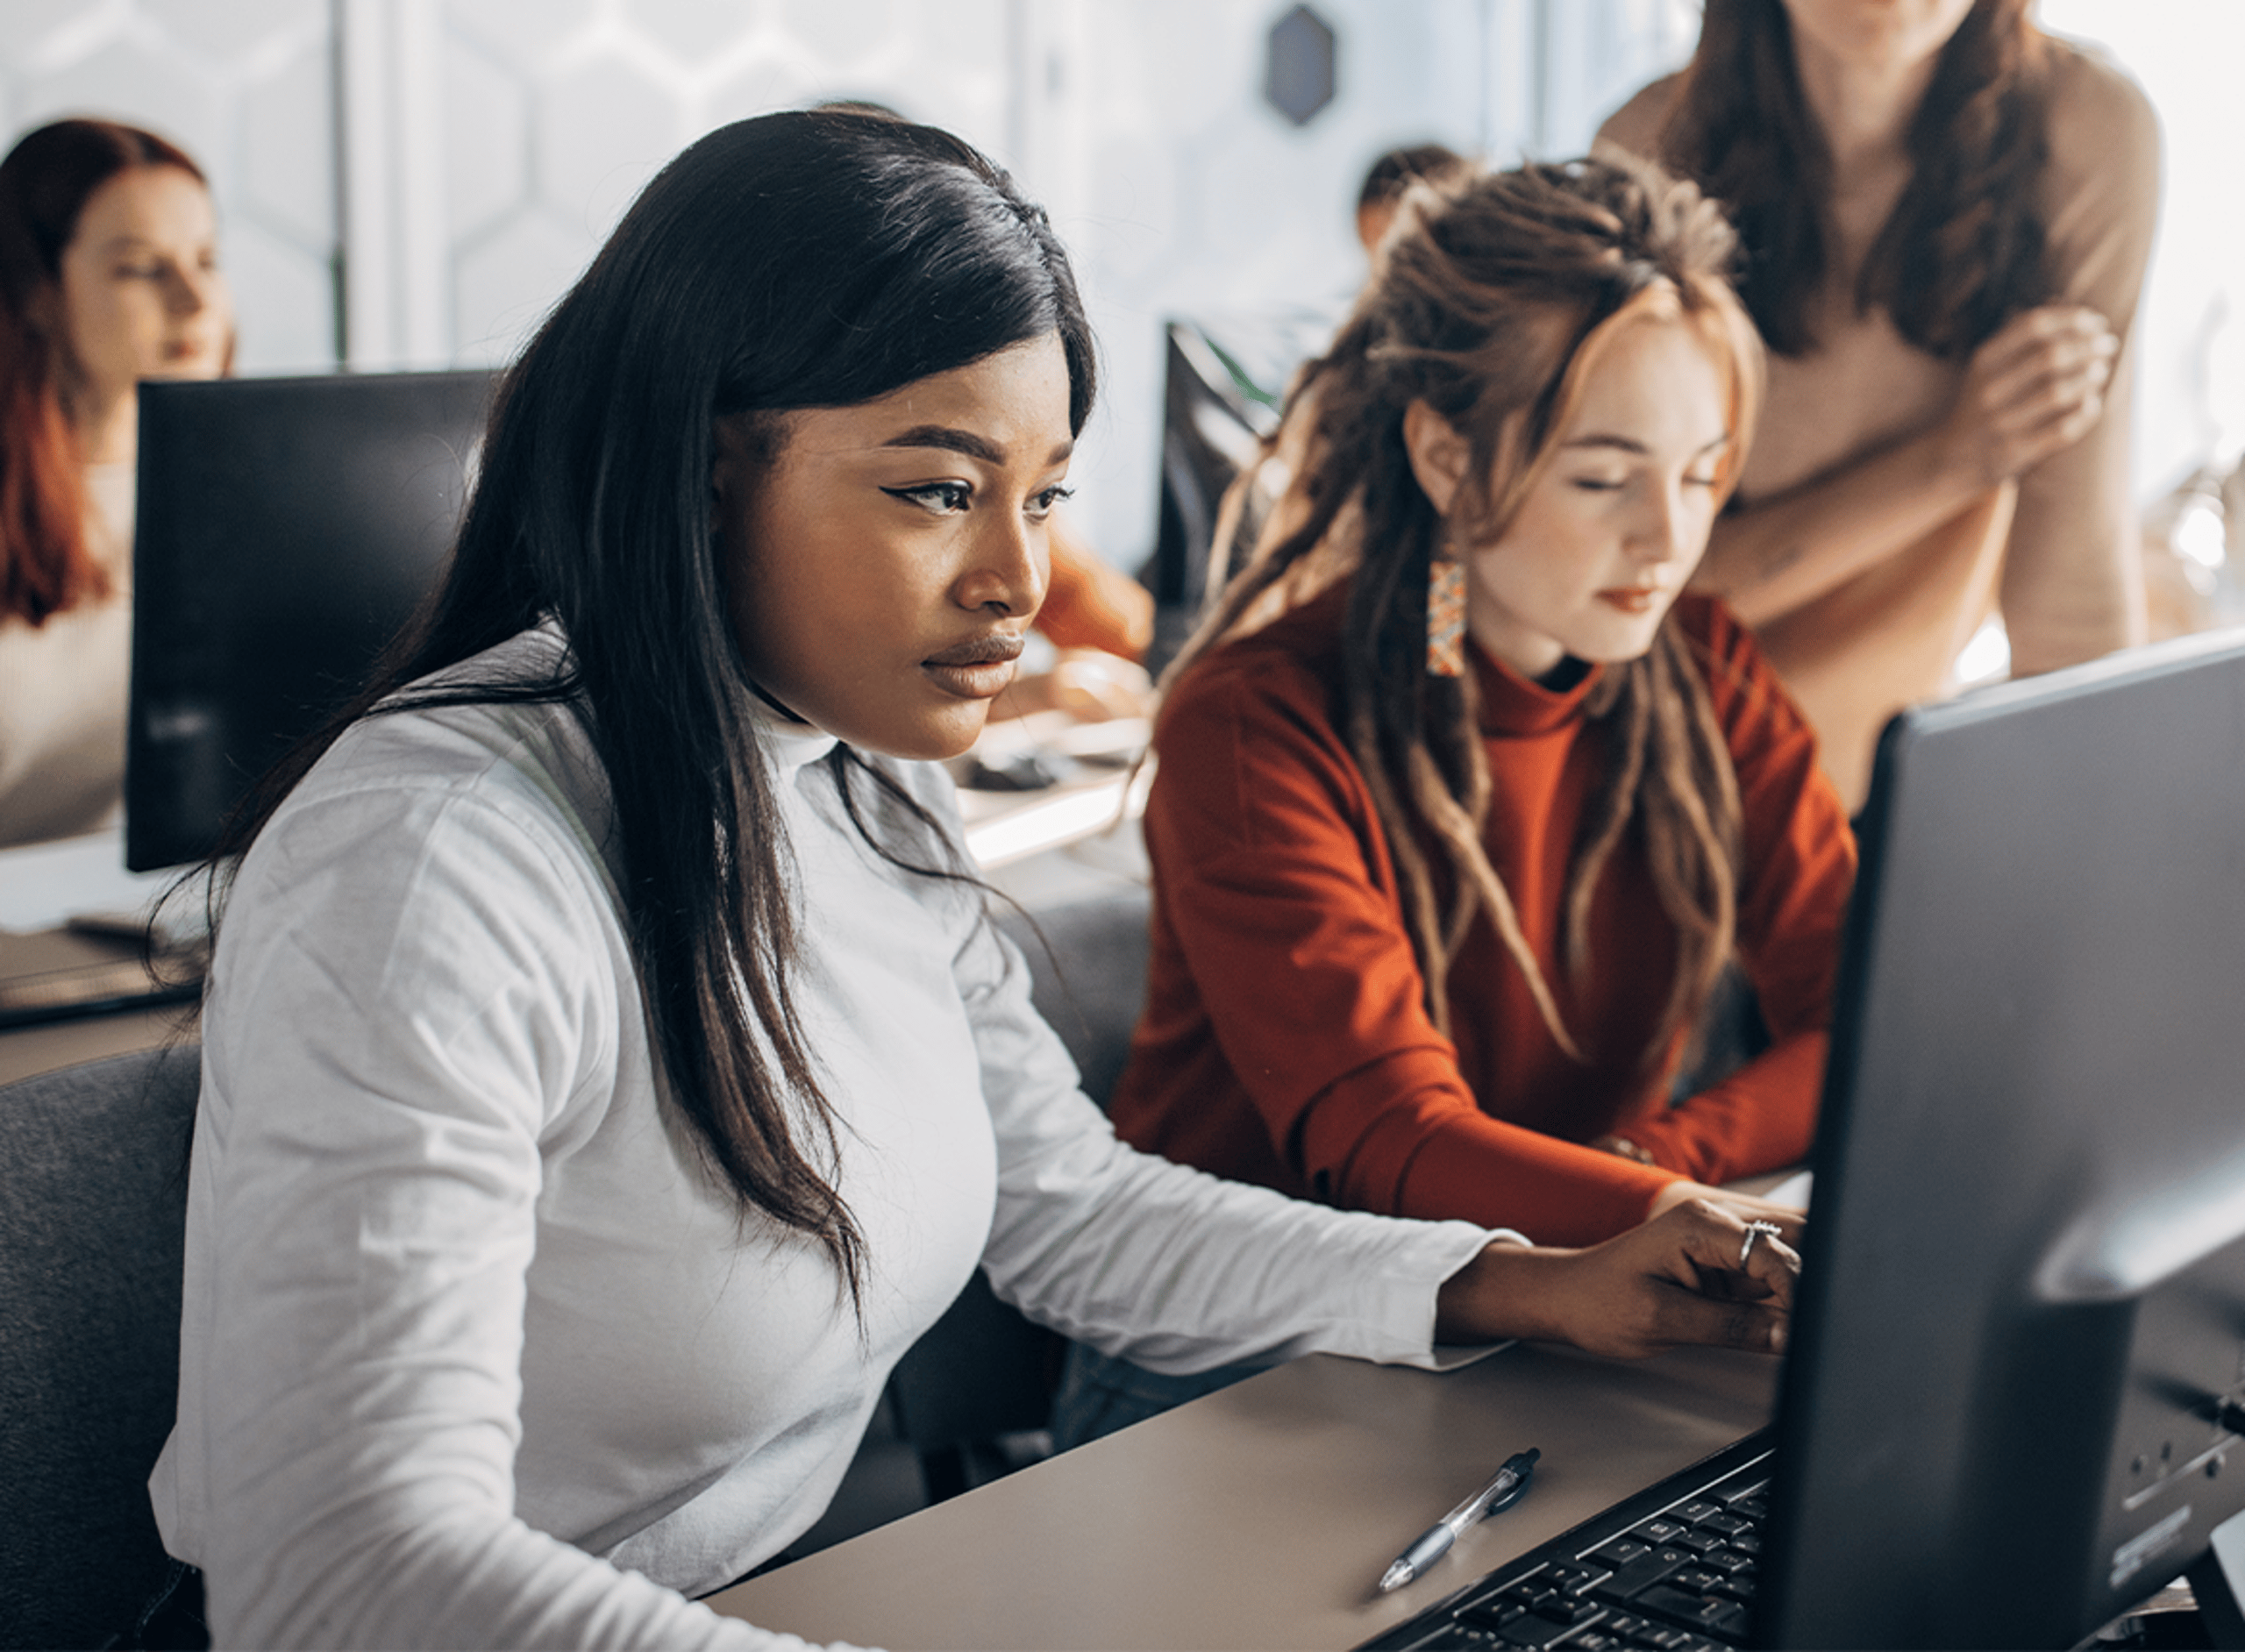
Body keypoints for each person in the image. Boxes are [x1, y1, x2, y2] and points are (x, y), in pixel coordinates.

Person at [147, 112, 1802, 1651]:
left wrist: (1512, 1276)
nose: (1020, 579)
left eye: (1043, 495)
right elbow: (340, 1568)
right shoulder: (435, 858)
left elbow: (1063, 1202)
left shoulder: (860, 784)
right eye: (940, 490)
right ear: (704, 468)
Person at [1065, 153, 1853, 1442]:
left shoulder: (1705, 669)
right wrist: (1659, 1210)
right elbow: (1393, 1138)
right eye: (1604, 477)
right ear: (1443, 451)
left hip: (1561, 1311)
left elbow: (1865, 1010)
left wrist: (1660, 1173)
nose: (1667, 539)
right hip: (1249, 1365)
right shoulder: (1256, 723)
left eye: (1702, 473)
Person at [1599, 0, 2158, 808]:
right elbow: (1643, 588)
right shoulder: (1647, 152)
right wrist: (1952, 459)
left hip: (1892, 796)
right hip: (1662, 778)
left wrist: (2096, 847)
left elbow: (2070, 607)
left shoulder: (2086, 132)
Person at [0, 117, 232, 846]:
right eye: (141, 268)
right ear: (37, 291)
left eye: (206, 260)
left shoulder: (245, 506)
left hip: (143, 915)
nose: (195, 302)